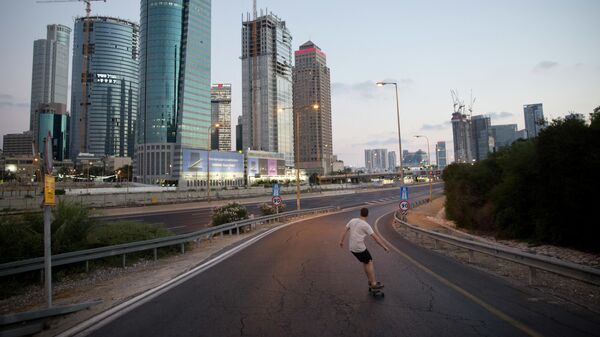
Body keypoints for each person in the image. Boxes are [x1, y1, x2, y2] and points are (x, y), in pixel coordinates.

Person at [339, 207, 389, 289]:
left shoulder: (352, 220)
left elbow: (345, 230)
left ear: (360, 213)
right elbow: (376, 238)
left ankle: (370, 280)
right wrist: (384, 247)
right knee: (369, 261)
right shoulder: (366, 225)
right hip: (359, 248)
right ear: (367, 215)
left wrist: (341, 241)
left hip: (352, 248)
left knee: (365, 262)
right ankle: (373, 283)